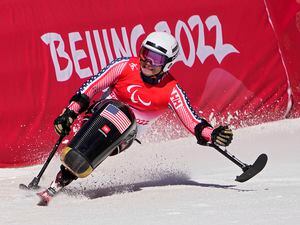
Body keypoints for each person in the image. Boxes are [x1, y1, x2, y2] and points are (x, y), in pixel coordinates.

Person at [37, 31, 233, 205]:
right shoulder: (124, 66)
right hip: (99, 113)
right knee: (113, 112)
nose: (148, 61)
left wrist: (212, 133)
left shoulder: (172, 90)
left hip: (126, 136)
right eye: (145, 54)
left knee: (122, 115)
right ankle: (61, 178)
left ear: (168, 64)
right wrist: (70, 112)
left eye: (156, 59)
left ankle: (66, 174)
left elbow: (192, 121)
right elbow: (92, 86)